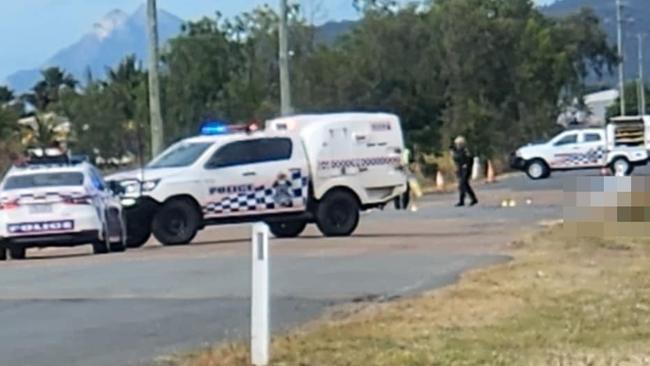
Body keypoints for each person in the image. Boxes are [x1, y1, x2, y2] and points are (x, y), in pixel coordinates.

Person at [451, 136, 478, 207]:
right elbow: (456, 160)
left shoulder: (465, 151)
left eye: (458, 144)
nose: (457, 145)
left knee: (463, 184)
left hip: (465, 169)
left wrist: (466, 165)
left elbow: (469, 159)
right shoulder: (457, 151)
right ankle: (466, 200)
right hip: (460, 169)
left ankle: (467, 199)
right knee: (463, 185)